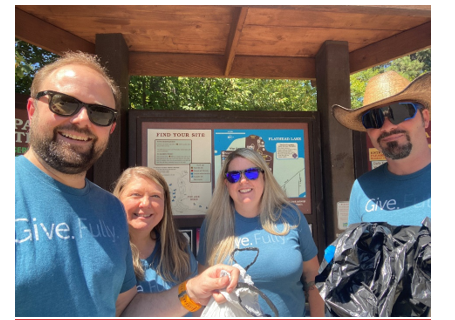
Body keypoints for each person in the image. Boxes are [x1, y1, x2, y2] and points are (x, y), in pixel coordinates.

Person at [15, 51, 239, 317]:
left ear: (110, 127)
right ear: (32, 109)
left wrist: (191, 292)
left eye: (99, 112)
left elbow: (124, 310)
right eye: (64, 103)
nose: (82, 119)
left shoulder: (110, 209)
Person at [197, 148, 325, 317]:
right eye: (234, 176)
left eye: (251, 173)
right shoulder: (214, 225)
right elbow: (202, 289)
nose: (243, 181)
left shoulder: (291, 217)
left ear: (264, 176)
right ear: (226, 184)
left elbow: (312, 274)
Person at [332, 71, 431, 226]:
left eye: (399, 112)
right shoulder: (362, 188)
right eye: (373, 118)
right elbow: (355, 247)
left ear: (425, 118)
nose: (387, 126)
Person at [112, 166, 200, 315]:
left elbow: (198, 308)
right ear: (117, 199)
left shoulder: (179, 250)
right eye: (136, 194)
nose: (146, 203)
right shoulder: (107, 253)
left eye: (155, 196)